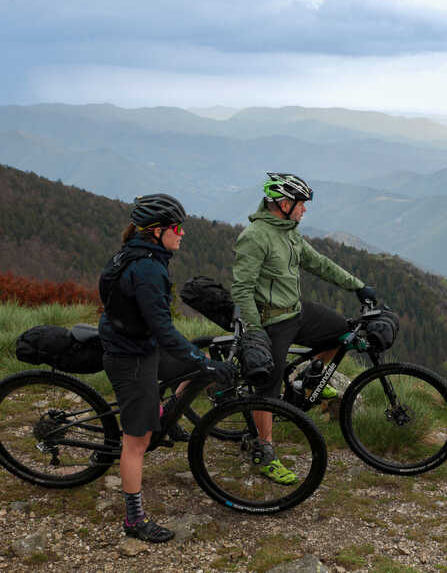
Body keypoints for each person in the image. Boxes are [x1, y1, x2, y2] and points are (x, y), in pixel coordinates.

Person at [99, 193, 235, 543]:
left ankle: (163, 416)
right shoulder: (146, 269)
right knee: (136, 442)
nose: (182, 234)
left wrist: (196, 362)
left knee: (190, 369)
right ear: (157, 231)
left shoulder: (140, 254)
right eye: (177, 228)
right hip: (131, 357)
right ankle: (134, 520)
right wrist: (200, 359)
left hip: (137, 343)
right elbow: (163, 328)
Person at [231, 172, 375, 485]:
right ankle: (264, 450)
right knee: (267, 390)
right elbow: (242, 289)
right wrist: (255, 330)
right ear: (283, 204)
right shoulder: (255, 236)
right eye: (301, 204)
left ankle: (310, 381)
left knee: (341, 331)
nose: (304, 210)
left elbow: (319, 263)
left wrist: (358, 286)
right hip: (271, 321)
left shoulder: (289, 232)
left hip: (296, 310)